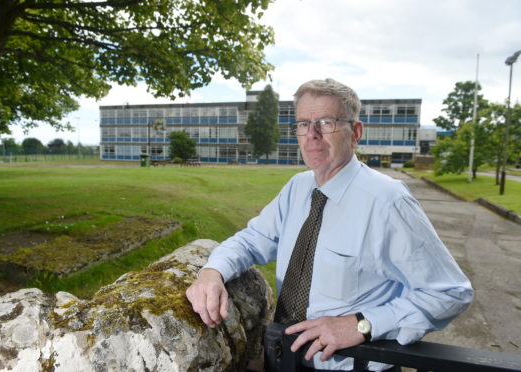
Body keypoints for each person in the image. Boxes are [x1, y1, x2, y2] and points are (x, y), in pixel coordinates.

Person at [186, 78, 474, 371]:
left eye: (326, 122)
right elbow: (252, 239)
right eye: (302, 124)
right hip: (285, 359)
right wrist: (212, 271)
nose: (312, 135)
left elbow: (450, 292)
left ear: (355, 132)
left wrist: (363, 324)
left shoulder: (388, 201)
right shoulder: (297, 188)